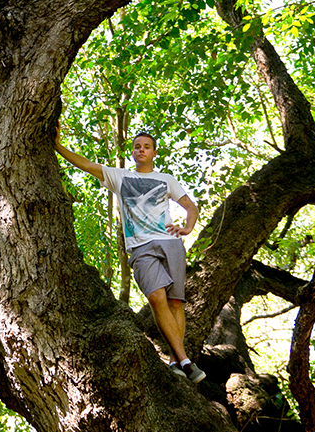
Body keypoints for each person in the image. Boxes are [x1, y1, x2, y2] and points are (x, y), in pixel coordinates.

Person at [56, 126, 206, 383]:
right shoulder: (120, 177)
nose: (141, 150)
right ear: (133, 152)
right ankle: (186, 362)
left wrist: (188, 227)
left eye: (146, 147)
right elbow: (87, 164)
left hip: (170, 243)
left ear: (154, 152)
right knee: (157, 298)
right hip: (140, 247)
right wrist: (58, 146)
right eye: (137, 147)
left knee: (175, 302)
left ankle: (175, 361)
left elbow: (190, 206)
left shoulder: (166, 179)